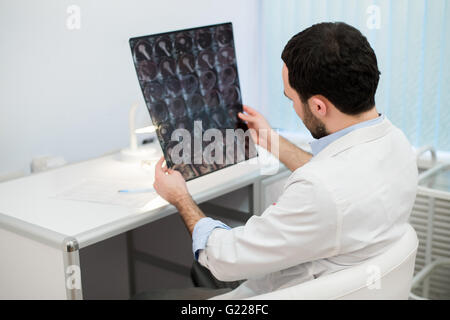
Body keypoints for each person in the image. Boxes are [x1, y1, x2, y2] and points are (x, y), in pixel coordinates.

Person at [145, 22, 419, 300]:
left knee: (155, 293)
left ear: (319, 106)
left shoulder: (318, 189)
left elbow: (222, 258)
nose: (292, 106)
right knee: (199, 270)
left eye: (291, 99)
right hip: (334, 272)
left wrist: (181, 198)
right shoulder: (397, 144)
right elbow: (340, 183)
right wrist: (270, 139)